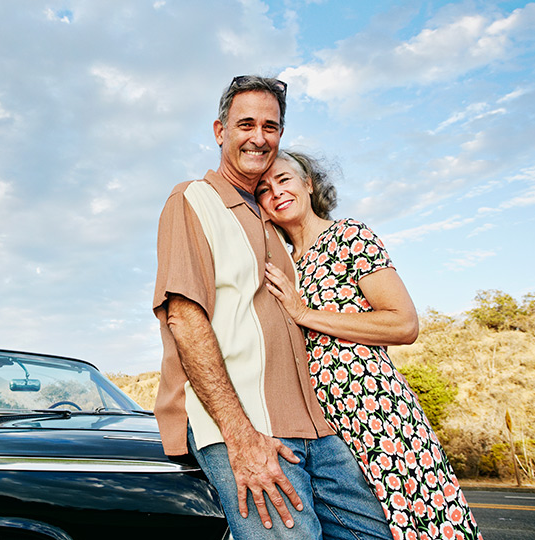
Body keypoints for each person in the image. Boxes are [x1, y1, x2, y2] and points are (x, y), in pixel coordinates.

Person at [153, 75, 392, 539]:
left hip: (318, 427)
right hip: (245, 424)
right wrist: (240, 435)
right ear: (220, 131)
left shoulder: (274, 222)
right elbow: (184, 317)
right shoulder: (192, 199)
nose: (259, 137)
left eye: (271, 126)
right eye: (246, 124)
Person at [257, 150, 483, 540]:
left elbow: (403, 323)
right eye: (263, 189)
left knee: (415, 521)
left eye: (284, 179)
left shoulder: (349, 235)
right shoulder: (284, 264)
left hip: (376, 411)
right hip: (323, 426)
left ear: (308, 184)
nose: (276, 192)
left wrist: (304, 313)